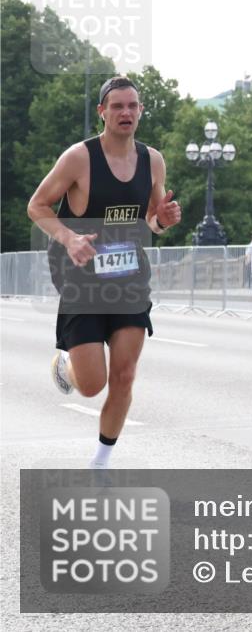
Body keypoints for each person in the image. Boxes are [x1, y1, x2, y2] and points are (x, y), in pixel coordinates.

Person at [27, 75, 181, 469]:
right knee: (93, 384)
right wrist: (68, 237)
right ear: (102, 112)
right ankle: (66, 366)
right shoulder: (79, 158)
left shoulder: (153, 160)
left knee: (125, 375)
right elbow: (38, 206)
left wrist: (162, 219)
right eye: (117, 106)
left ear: (141, 111)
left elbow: (152, 220)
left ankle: (100, 464)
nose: (126, 112)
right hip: (82, 278)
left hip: (129, 277)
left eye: (133, 106)